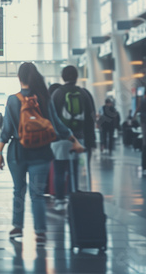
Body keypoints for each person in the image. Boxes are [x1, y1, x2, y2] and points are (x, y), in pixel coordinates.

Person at [0, 62, 84, 246]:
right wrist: (73, 140)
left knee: (18, 191)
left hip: (18, 153)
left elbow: (6, 130)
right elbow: (57, 125)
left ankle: (18, 227)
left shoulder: (13, 100)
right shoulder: (44, 98)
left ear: (19, 78)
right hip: (42, 153)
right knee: (37, 194)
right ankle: (41, 232)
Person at [51, 66, 96, 211]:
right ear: (77, 77)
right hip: (78, 139)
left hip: (59, 139)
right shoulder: (83, 94)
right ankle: (73, 197)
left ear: (63, 77)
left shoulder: (57, 94)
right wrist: (90, 141)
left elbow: (51, 117)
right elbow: (90, 119)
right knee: (74, 170)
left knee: (59, 170)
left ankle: (59, 200)